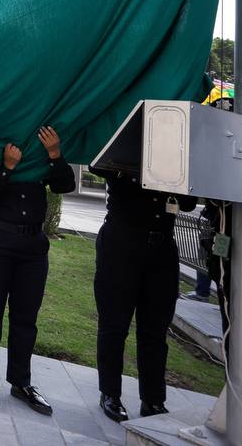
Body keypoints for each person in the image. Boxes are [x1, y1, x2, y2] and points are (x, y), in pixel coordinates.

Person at [0, 126, 75, 414]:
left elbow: (65, 185)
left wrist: (54, 154)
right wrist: (7, 167)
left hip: (33, 247)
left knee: (26, 319)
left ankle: (21, 382)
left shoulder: (41, 152)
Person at [94, 169, 197, 422]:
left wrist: (174, 174)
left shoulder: (176, 154)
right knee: (114, 325)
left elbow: (188, 202)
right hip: (121, 244)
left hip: (162, 249)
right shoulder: (127, 140)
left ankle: (152, 400)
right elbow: (98, 165)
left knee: (155, 329)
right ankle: (110, 393)